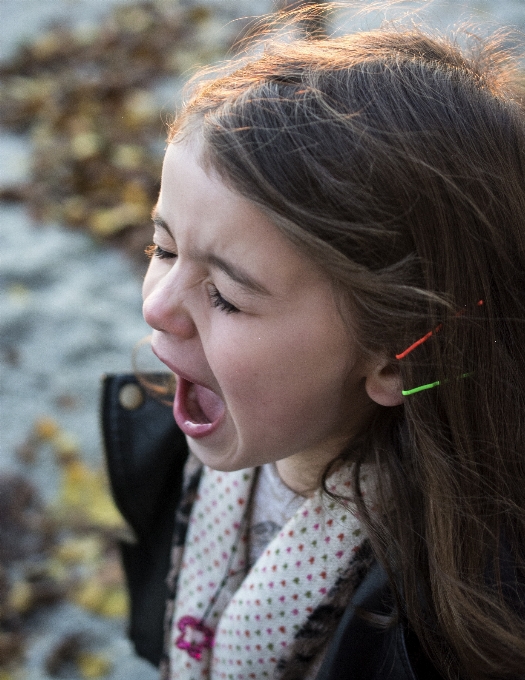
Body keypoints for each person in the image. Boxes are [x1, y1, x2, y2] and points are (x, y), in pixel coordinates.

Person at [102, 7, 525, 680]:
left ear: (395, 355)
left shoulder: (455, 633)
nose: (155, 306)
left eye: (225, 297)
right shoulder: (167, 446)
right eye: (162, 247)